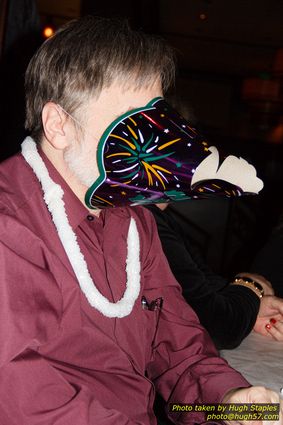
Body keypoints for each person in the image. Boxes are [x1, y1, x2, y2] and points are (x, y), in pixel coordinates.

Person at [0, 16, 281, 425]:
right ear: (59, 125)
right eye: (138, 122)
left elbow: (180, 348)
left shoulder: (135, 221)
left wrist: (229, 401)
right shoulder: (10, 226)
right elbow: (24, 399)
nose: (160, 137)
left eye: (159, 118)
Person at [146, 202, 283, 349]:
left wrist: (251, 309)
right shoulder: (140, 219)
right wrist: (253, 285)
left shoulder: (158, 217)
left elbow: (206, 287)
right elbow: (217, 327)